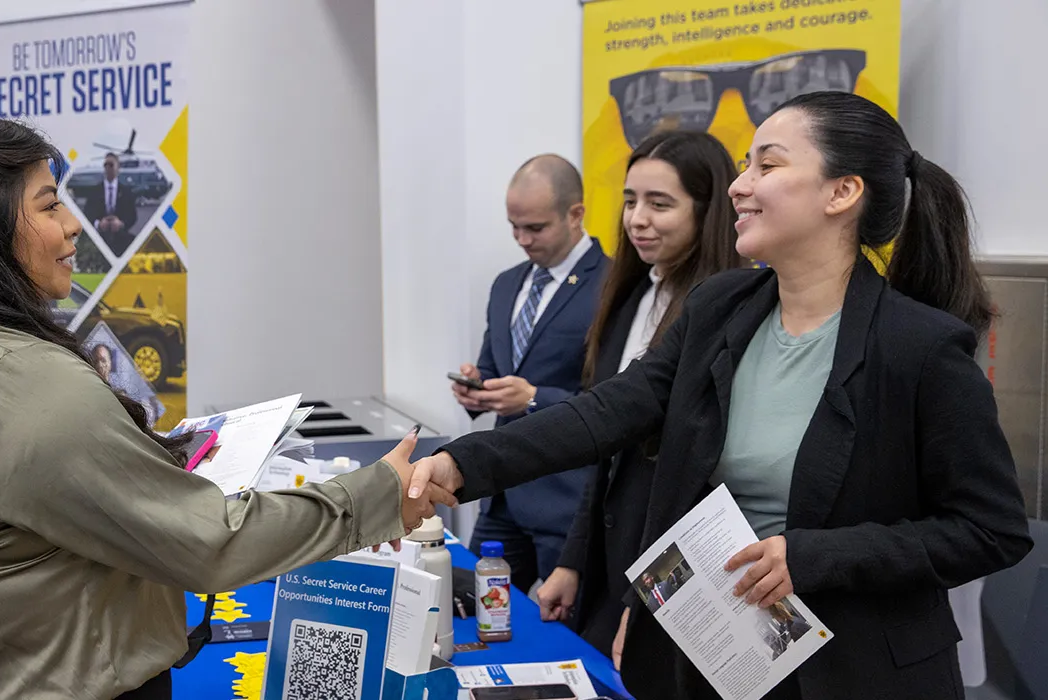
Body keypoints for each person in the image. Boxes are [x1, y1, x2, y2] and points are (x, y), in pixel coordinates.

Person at [408, 91, 1032, 700]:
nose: (739, 186)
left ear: (842, 193)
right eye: (743, 166)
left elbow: (989, 529)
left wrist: (817, 557)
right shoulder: (720, 308)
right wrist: (461, 465)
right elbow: (606, 412)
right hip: (715, 657)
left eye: (768, 165)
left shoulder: (920, 347)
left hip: (857, 670)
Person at [0, 112, 452, 700]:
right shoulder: (14, 380)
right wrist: (377, 496)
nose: (72, 225)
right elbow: (212, 545)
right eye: (50, 205)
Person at [534, 131, 741, 656]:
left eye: (660, 203)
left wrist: (647, 600)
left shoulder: (728, 313)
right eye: (630, 201)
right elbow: (604, 445)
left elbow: (698, 482)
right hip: (612, 561)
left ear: (708, 209)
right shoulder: (630, 297)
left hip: (673, 577)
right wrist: (573, 560)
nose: (637, 219)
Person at [451, 154, 610, 594]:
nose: (522, 239)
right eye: (513, 227)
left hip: (567, 498)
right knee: (468, 606)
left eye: (535, 228)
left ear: (575, 214)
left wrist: (535, 399)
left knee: (563, 633)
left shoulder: (612, 285)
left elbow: (616, 400)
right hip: (503, 489)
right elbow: (494, 367)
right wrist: (475, 387)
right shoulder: (506, 284)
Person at [82, 152, 138, 256]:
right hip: (99, 237)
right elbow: (87, 213)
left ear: (118, 167)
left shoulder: (127, 192)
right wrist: (98, 224)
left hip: (121, 237)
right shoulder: (95, 191)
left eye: (111, 165)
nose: (107, 168)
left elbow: (133, 216)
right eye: (105, 165)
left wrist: (121, 224)